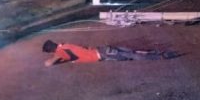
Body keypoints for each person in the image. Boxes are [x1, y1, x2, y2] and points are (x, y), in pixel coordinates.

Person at [42, 40, 181, 66]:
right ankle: (158, 53)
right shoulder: (66, 45)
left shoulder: (60, 51)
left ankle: (160, 56)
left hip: (102, 54)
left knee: (131, 56)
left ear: (52, 50)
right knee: (130, 52)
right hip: (101, 49)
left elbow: (48, 64)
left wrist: (55, 56)